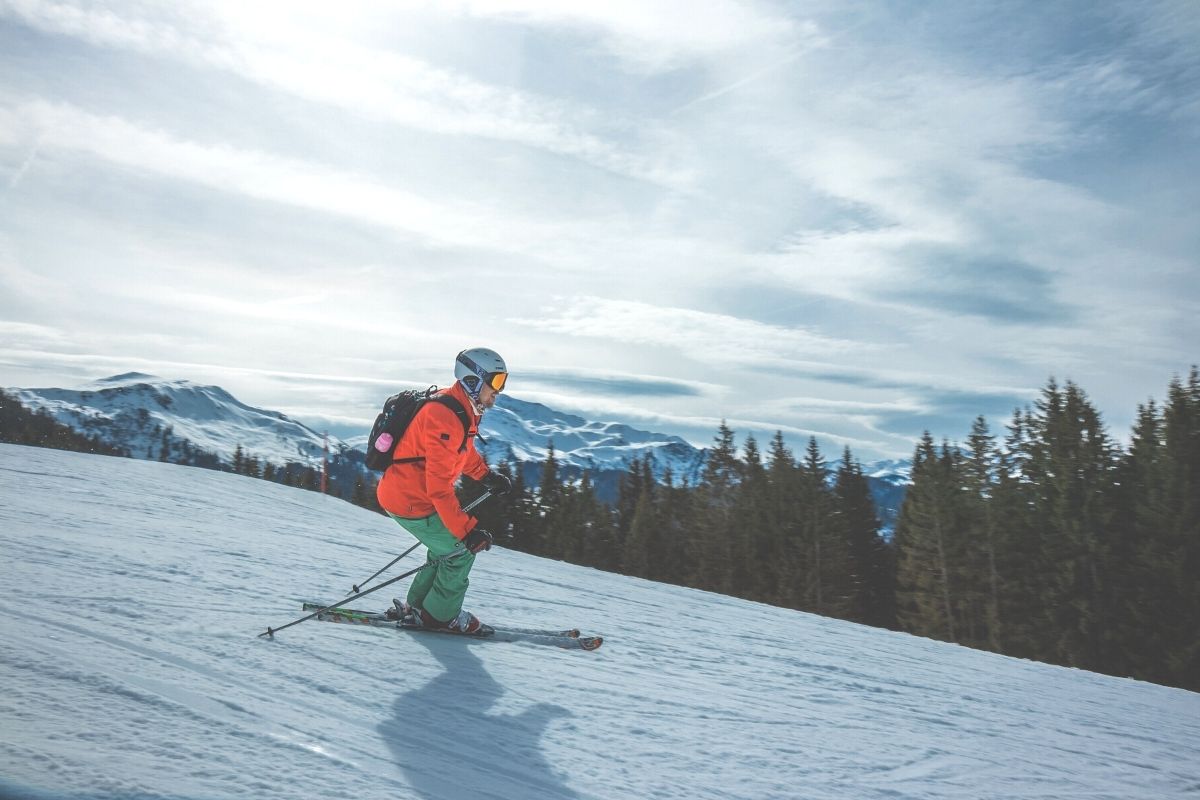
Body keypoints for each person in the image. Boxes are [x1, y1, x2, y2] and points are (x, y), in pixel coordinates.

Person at [376, 347, 512, 633]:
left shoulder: (461, 409)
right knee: (459, 552)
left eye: (503, 381)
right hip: (410, 501)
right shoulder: (445, 416)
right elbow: (438, 490)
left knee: (443, 550)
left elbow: (463, 453)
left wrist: (486, 476)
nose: (499, 391)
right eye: (496, 382)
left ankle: (419, 607)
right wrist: (467, 532)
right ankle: (439, 617)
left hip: (408, 495)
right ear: (474, 380)